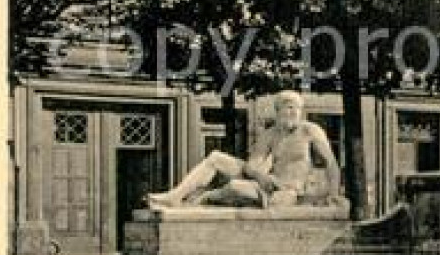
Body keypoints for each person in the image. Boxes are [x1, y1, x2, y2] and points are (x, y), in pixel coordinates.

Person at [147, 90, 344, 210]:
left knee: (235, 187)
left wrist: (333, 194)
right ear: (278, 111)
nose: (293, 112)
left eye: (296, 108)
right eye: (288, 108)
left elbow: (332, 164)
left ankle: (204, 197)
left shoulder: (309, 130)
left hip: (289, 190)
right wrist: (262, 176)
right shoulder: (271, 134)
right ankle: (176, 195)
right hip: (267, 183)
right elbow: (251, 166)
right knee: (215, 157)